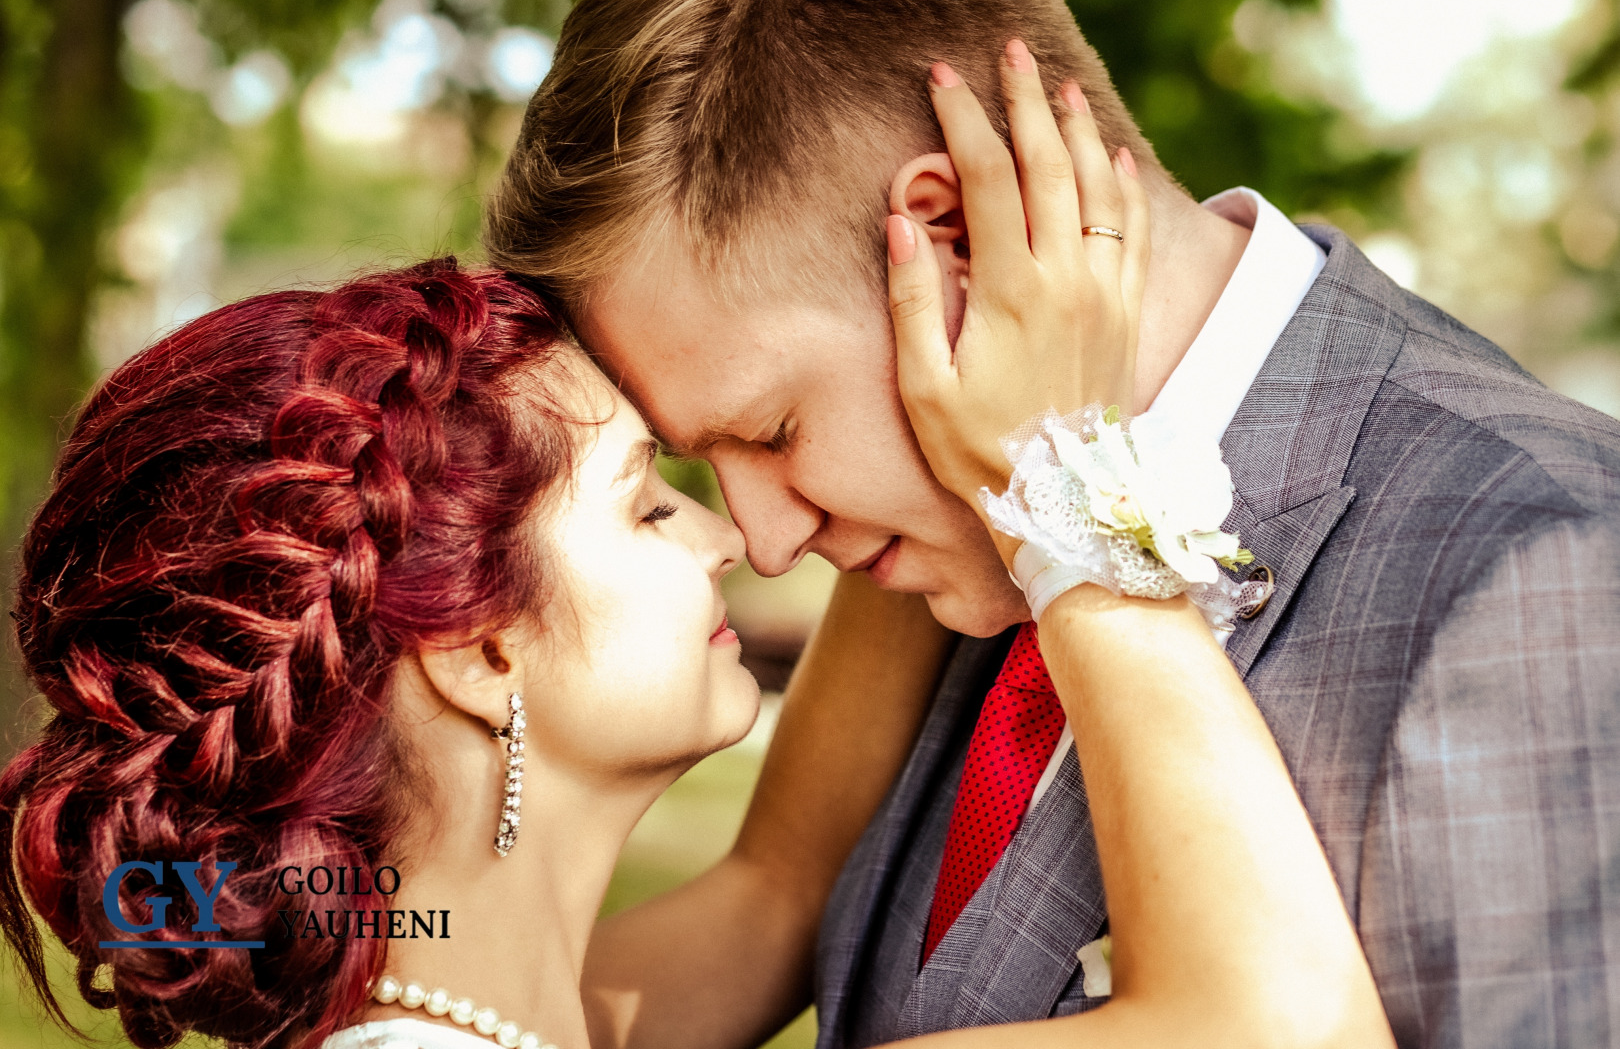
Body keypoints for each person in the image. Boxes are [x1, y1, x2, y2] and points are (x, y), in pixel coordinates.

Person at [0, 66, 1393, 1049]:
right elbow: (1287, 1029)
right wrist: (1067, 469)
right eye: (648, 505)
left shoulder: (475, 1003)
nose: (741, 535)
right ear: (483, 651)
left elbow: (777, 885)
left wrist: (936, 412)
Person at [483, 0, 1620, 1047]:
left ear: (955, 241)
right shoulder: (952, 532)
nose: (767, 544)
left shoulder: (1543, 573)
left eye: (773, 431)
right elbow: (771, 900)